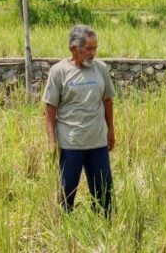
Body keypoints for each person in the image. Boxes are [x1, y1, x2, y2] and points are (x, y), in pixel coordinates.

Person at [43, 25, 115, 216]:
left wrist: (111, 130)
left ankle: (105, 225)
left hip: (97, 141)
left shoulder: (101, 69)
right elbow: (50, 108)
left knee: (104, 189)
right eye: (89, 49)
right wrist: (52, 141)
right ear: (74, 48)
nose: (93, 53)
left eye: (95, 48)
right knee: (68, 189)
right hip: (71, 143)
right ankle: (65, 228)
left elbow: (107, 100)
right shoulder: (59, 72)